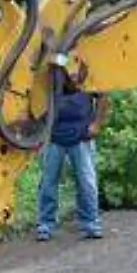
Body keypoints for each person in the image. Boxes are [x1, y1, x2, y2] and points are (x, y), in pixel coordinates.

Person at [35, 78, 109, 241]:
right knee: (48, 182)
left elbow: (104, 95)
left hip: (81, 135)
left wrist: (96, 124)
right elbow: (34, 97)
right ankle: (45, 225)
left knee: (86, 182)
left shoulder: (88, 68)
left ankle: (91, 224)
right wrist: (39, 130)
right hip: (53, 136)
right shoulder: (50, 69)